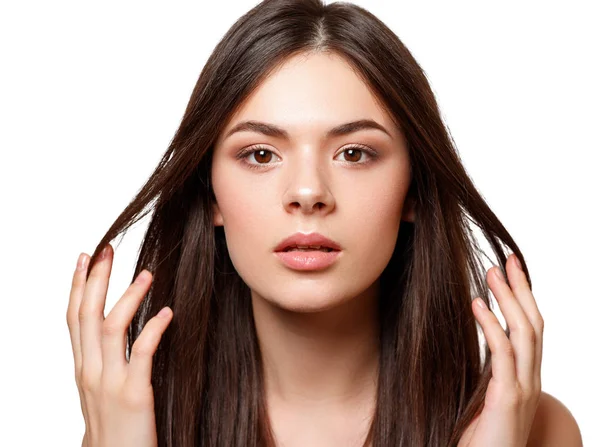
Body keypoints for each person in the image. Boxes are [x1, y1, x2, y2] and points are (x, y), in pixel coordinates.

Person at [66, 0, 583, 445]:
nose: (308, 192)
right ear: (211, 196)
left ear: (415, 191)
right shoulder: (131, 425)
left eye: (354, 153)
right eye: (261, 154)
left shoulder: (531, 429)